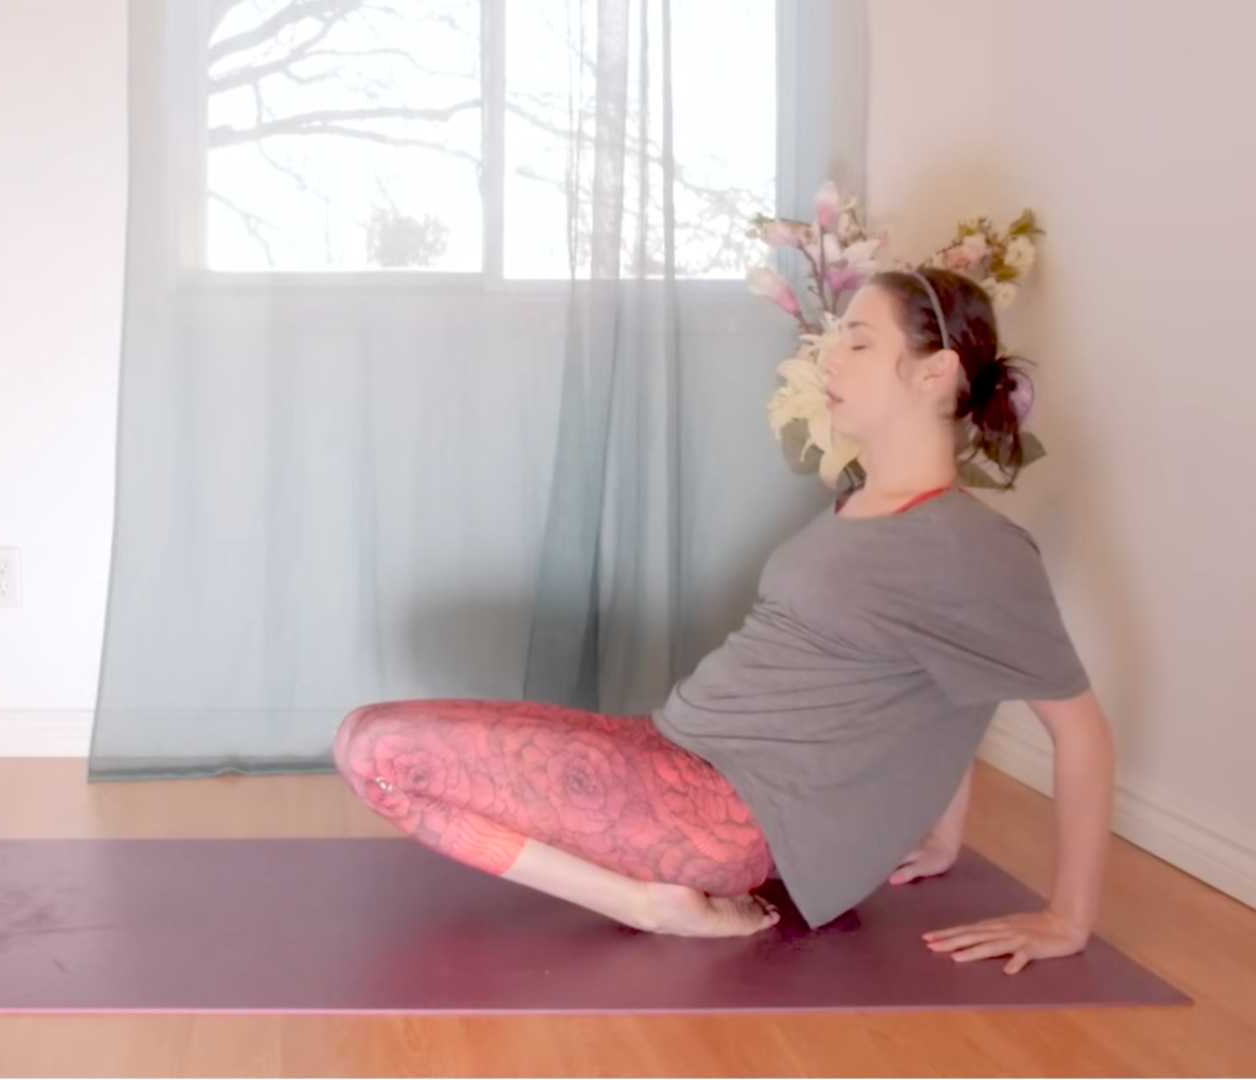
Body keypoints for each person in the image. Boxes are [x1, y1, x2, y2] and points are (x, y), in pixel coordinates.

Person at [333, 268, 1115, 975]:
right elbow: (940, 679)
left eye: (859, 343)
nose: (830, 362)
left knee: (377, 753)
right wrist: (940, 832)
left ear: (937, 371)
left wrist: (1067, 917)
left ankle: (652, 903)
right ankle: (657, 891)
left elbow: (1079, 730)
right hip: (670, 746)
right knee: (365, 732)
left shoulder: (973, 547)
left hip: (727, 809)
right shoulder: (863, 505)